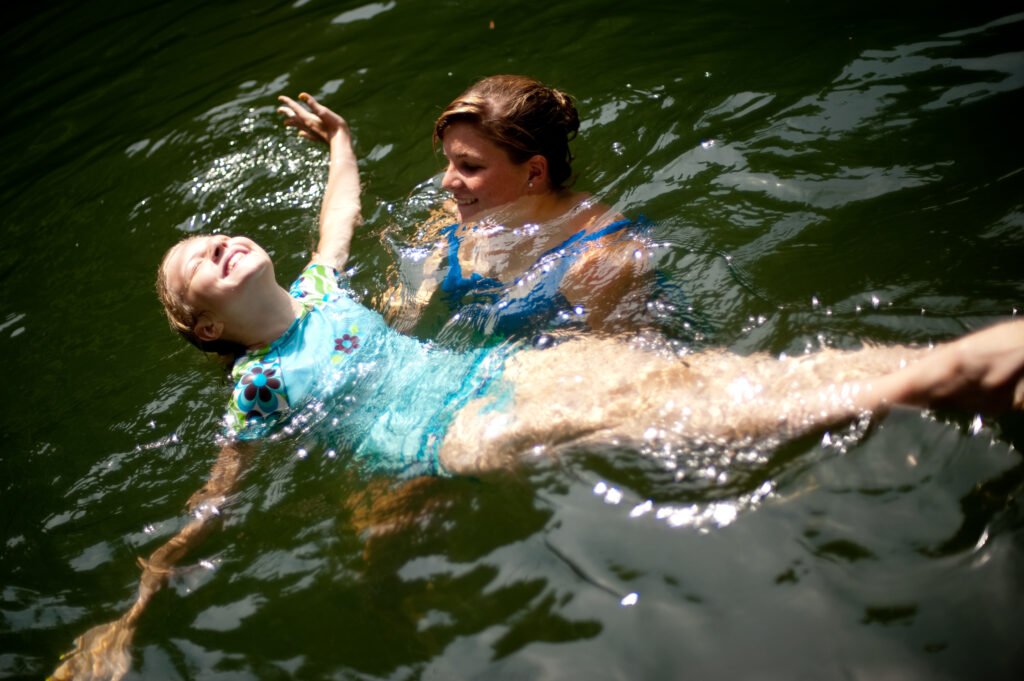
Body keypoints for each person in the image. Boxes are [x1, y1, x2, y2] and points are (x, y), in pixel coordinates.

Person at [51, 92, 1024, 681]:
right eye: (193, 266)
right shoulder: (256, 390)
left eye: (214, 235)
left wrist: (340, 144)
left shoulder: (317, 287)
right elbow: (211, 504)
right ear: (203, 329)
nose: (213, 244)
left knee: (725, 387)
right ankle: (958, 374)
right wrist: (129, 616)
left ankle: (955, 377)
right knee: (718, 401)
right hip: (462, 435)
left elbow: (336, 213)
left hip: (499, 377)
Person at [283, 74, 653, 338]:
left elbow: (621, 368)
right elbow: (400, 318)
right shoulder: (455, 219)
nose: (447, 182)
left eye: (470, 167)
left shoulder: (598, 259)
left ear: (534, 171)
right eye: (448, 162)